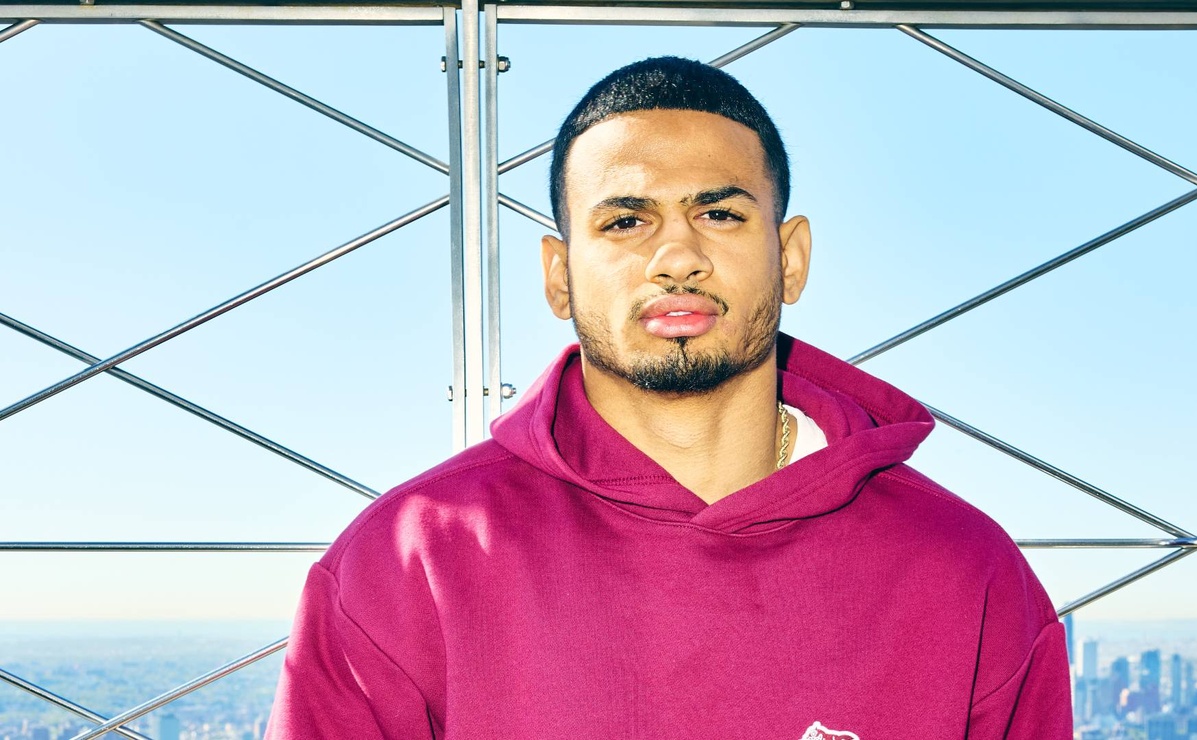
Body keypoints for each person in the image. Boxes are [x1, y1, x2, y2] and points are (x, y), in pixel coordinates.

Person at [266, 56, 1072, 739]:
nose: (677, 256)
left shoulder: (965, 571)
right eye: (625, 222)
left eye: (718, 213)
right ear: (559, 275)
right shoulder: (406, 564)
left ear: (790, 258)